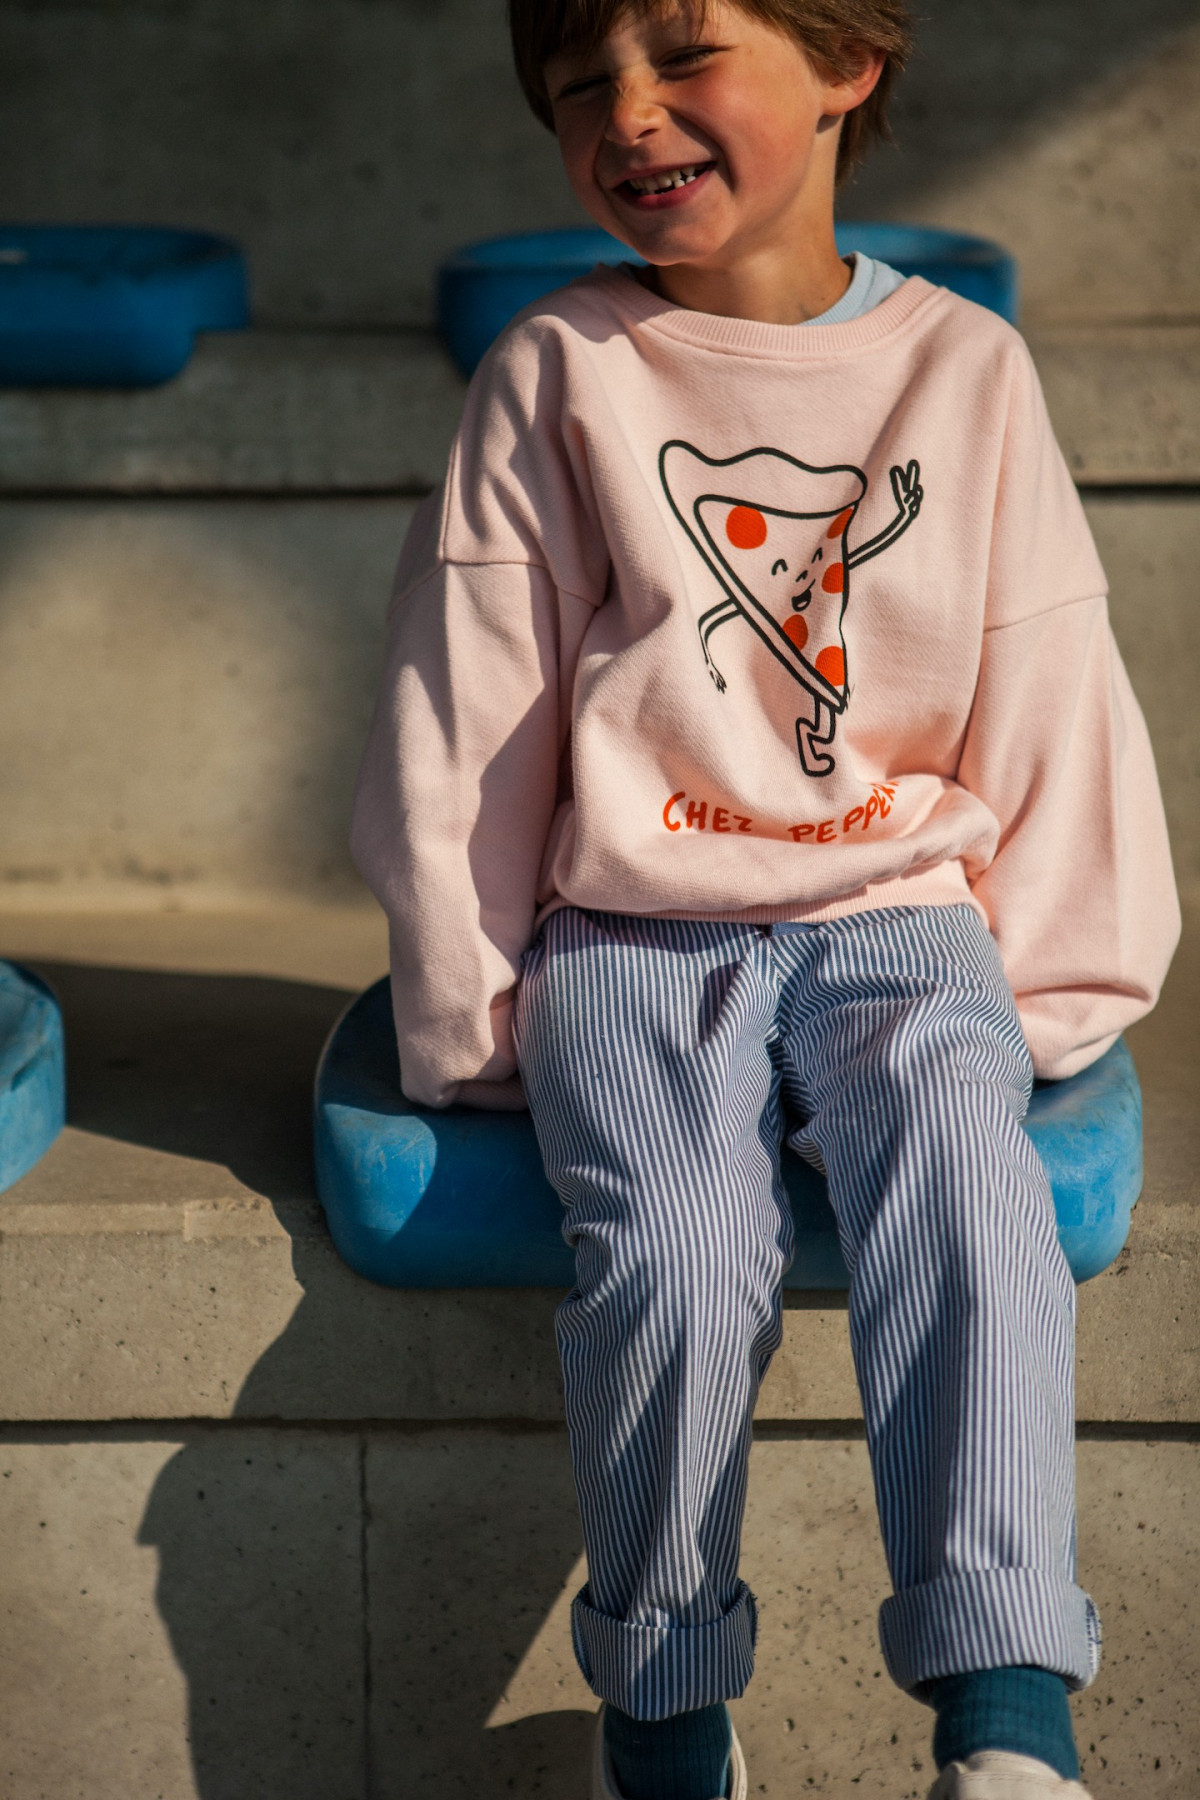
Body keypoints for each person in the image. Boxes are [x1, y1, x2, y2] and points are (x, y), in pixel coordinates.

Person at [351, 1, 1180, 1794]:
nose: (628, 111)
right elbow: (471, 711)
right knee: (675, 1249)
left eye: (682, 53)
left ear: (846, 62)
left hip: (902, 916)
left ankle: (1007, 1715)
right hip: (633, 931)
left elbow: (1049, 676)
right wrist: (471, 1013)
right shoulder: (557, 372)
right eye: (580, 84)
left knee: (969, 1189)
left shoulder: (965, 369)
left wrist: (1056, 990)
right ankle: (663, 1708)